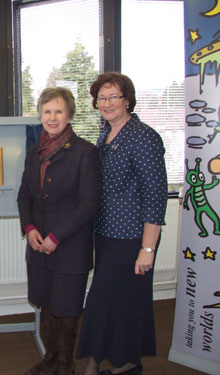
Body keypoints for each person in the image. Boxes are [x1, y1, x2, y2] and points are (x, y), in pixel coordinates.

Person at [75, 72, 168, 375]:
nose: (107, 103)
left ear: (127, 99)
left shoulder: (143, 136)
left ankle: (94, 364)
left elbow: (156, 196)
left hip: (131, 238)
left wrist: (148, 249)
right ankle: (128, 363)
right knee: (122, 303)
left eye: (114, 96)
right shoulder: (106, 133)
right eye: (102, 98)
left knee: (103, 302)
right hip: (105, 234)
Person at [17, 87, 101, 375]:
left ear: (69, 115)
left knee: (66, 308)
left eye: (59, 111)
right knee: (46, 303)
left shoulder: (85, 152)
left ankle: (66, 366)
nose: (52, 117)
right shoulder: (33, 152)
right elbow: (24, 196)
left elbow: (88, 205)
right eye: (47, 111)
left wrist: (56, 236)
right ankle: (51, 359)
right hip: (38, 247)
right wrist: (29, 229)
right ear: (40, 114)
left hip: (69, 247)